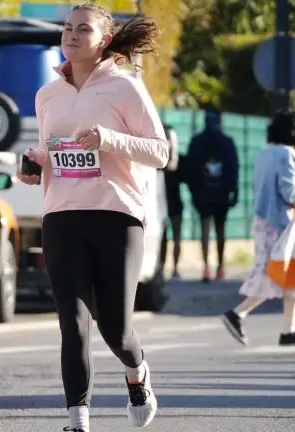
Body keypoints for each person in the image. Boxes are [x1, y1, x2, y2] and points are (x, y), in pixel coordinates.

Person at [17, 3, 166, 431]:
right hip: (62, 215)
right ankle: (77, 420)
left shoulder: (125, 87)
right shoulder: (47, 94)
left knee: (116, 330)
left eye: (83, 29)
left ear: (103, 40)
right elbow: (53, 149)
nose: (72, 35)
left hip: (117, 214)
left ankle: (137, 373)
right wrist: (34, 163)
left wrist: (108, 139)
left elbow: (159, 151)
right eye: (67, 28)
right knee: (72, 322)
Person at [221, 110, 295, 347]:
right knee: (274, 274)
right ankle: (238, 313)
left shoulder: (263, 154)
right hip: (280, 224)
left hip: (263, 221)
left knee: (286, 276)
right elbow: (289, 190)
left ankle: (288, 331)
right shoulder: (286, 154)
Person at [186, 108, 239, 283]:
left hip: (203, 193)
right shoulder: (227, 142)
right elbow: (233, 168)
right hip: (221, 193)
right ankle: (220, 267)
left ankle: (207, 267)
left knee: (205, 229)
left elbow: (190, 169)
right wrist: (234, 191)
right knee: (220, 230)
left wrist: (193, 191)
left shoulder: (197, 141)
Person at [158, 124, 184, 280]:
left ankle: (168, 267)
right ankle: (169, 267)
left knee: (170, 233)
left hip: (167, 193)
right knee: (169, 233)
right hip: (165, 193)